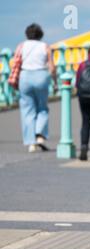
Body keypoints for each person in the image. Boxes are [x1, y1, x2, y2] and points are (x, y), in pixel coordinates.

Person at [16, 23, 57, 153]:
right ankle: (40, 134)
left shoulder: (21, 46)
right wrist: (55, 82)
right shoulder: (45, 46)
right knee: (42, 107)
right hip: (41, 76)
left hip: (25, 76)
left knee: (27, 110)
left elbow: (16, 63)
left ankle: (30, 143)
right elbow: (52, 67)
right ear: (40, 34)